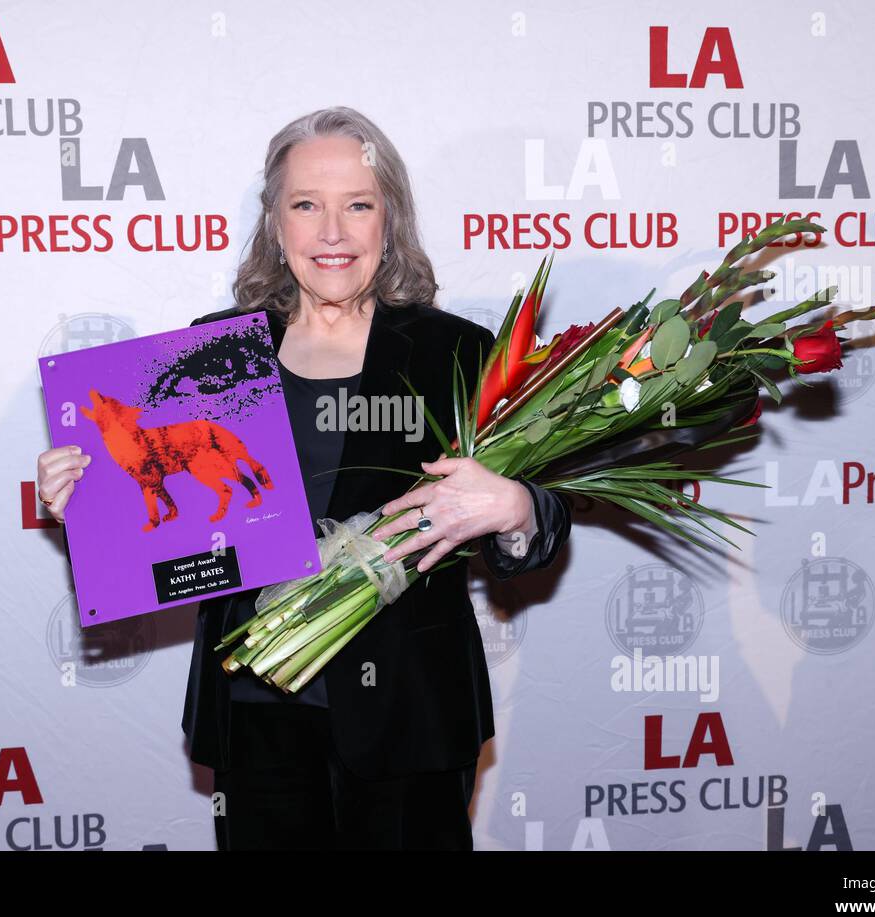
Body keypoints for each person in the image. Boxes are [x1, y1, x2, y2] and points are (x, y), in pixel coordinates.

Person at [36, 106, 572, 850]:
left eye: (358, 204)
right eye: (305, 205)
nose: (331, 232)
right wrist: (87, 502)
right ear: (275, 222)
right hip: (257, 716)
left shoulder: (457, 353)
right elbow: (165, 511)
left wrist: (513, 507)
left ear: (391, 219)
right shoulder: (208, 355)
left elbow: (542, 526)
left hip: (410, 719)